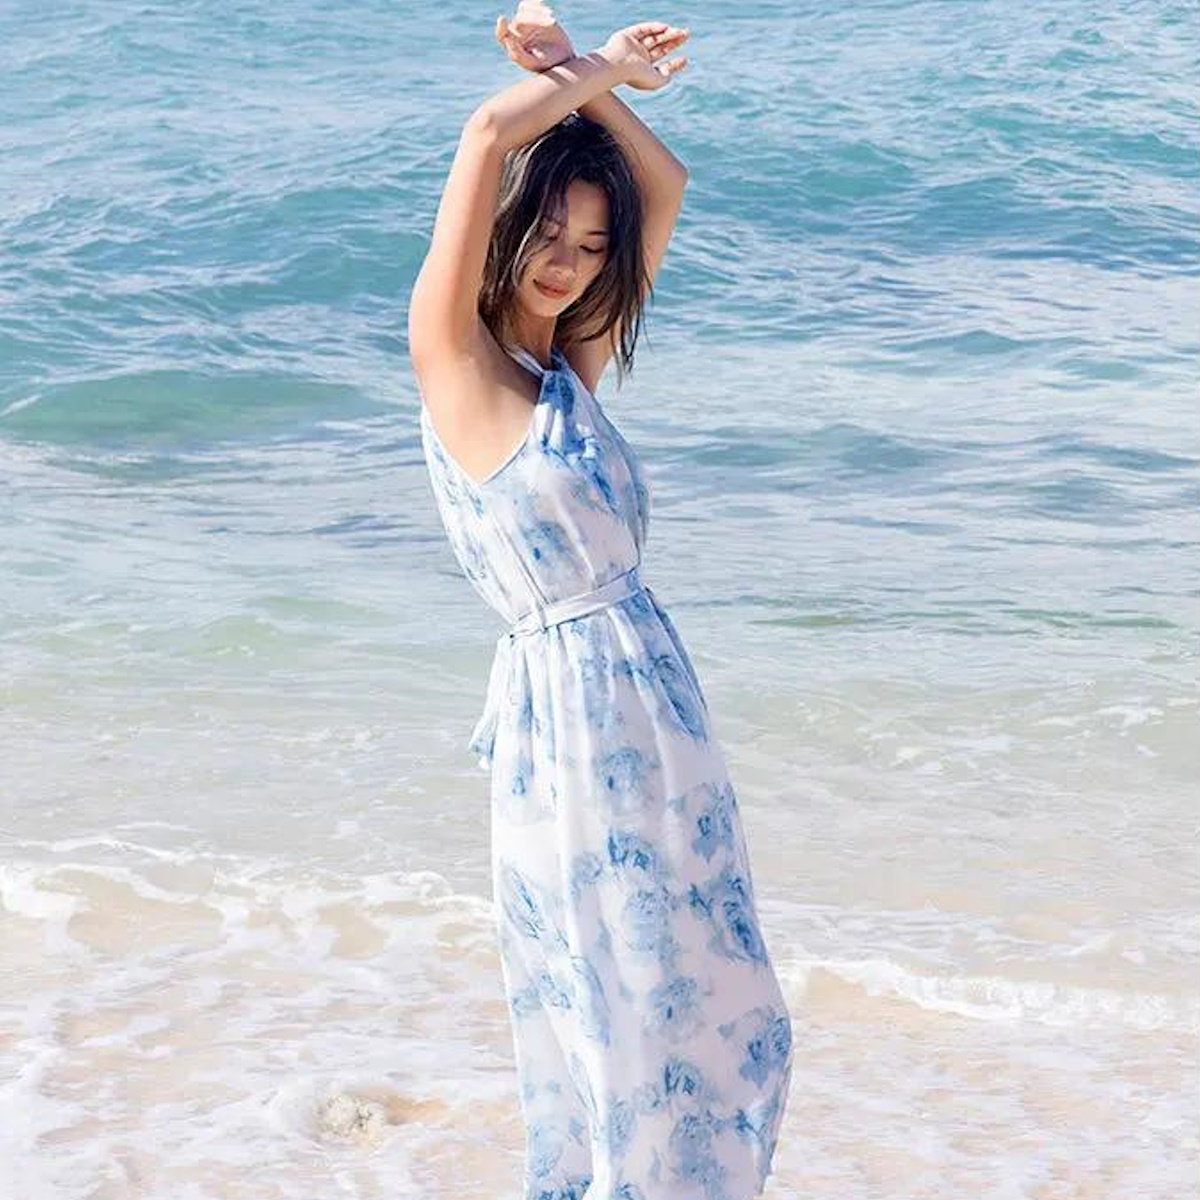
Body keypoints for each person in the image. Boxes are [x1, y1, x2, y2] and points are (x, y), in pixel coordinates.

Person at [407, 5, 793, 1196]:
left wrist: (580, 77)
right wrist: (587, 76)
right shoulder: (457, 361)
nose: (567, 259)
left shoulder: (563, 368)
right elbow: (482, 135)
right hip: (568, 728)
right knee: (619, 1002)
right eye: (550, 233)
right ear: (511, 229)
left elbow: (662, 181)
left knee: (722, 999)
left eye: (588, 241)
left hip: (658, 715)